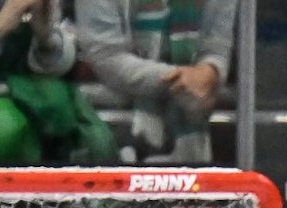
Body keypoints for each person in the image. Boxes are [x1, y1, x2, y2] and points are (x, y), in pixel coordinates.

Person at [76, 0, 236, 163]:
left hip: (192, 128)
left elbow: (218, 49)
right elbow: (106, 57)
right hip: (106, 123)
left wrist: (210, 71)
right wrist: (183, 80)